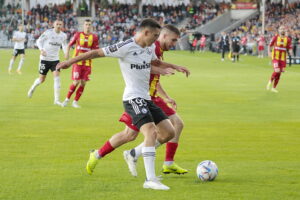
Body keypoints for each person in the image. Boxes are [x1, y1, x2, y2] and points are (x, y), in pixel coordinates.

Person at [56, 19, 190, 190]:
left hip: (147, 98)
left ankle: (121, 155)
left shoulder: (149, 47)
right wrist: (69, 62)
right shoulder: (125, 46)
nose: (156, 39)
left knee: (169, 131)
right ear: (146, 33)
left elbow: (154, 64)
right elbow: (94, 53)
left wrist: (175, 66)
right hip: (133, 98)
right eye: (155, 35)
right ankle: (150, 179)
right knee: (149, 131)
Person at [121, 24, 188, 177]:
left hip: (151, 96)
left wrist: (166, 97)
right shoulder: (154, 48)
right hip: (145, 97)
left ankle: (141, 156)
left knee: (133, 134)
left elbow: (155, 79)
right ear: (163, 36)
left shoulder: (158, 49)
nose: (174, 44)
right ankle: (137, 157)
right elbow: (147, 72)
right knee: (132, 134)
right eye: (173, 40)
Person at [27, 19, 68, 106]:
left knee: (57, 78)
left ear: (62, 25)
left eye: (60, 24)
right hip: (45, 59)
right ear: (54, 24)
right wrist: (41, 50)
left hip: (55, 60)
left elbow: (64, 45)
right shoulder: (48, 32)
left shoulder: (63, 35)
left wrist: (66, 53)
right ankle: (32, 88)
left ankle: (56, 100)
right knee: (42, 79)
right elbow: (38, 41)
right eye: (57, 24)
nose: (59, 26)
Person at [61, 19, 99, 108]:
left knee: (83, 83)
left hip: (87, 64)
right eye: (86, 24)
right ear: (83, 25)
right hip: (77, 62)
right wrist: (67, 53)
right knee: (76, 81)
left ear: (91, 26)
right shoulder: (78, 35)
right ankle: (66, 100)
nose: (88, 26)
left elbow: (95, 50)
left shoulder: (94, 37)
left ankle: (75, 102)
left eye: (89, 24)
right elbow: (70, 44)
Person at [266, 26, 293, 93]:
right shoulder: (275, 37)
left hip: (283, 58)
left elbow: (289, 48)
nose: (282, 30)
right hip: (275, 57)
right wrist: (269, 52)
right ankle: (270, 81)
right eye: (281, 29)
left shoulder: (288, 39)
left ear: (285, 30)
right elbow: (270, 45)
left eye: (283, 29)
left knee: (279, 73)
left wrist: (290, 52)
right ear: (279, 30)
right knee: (277, 70)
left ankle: (274, 88)